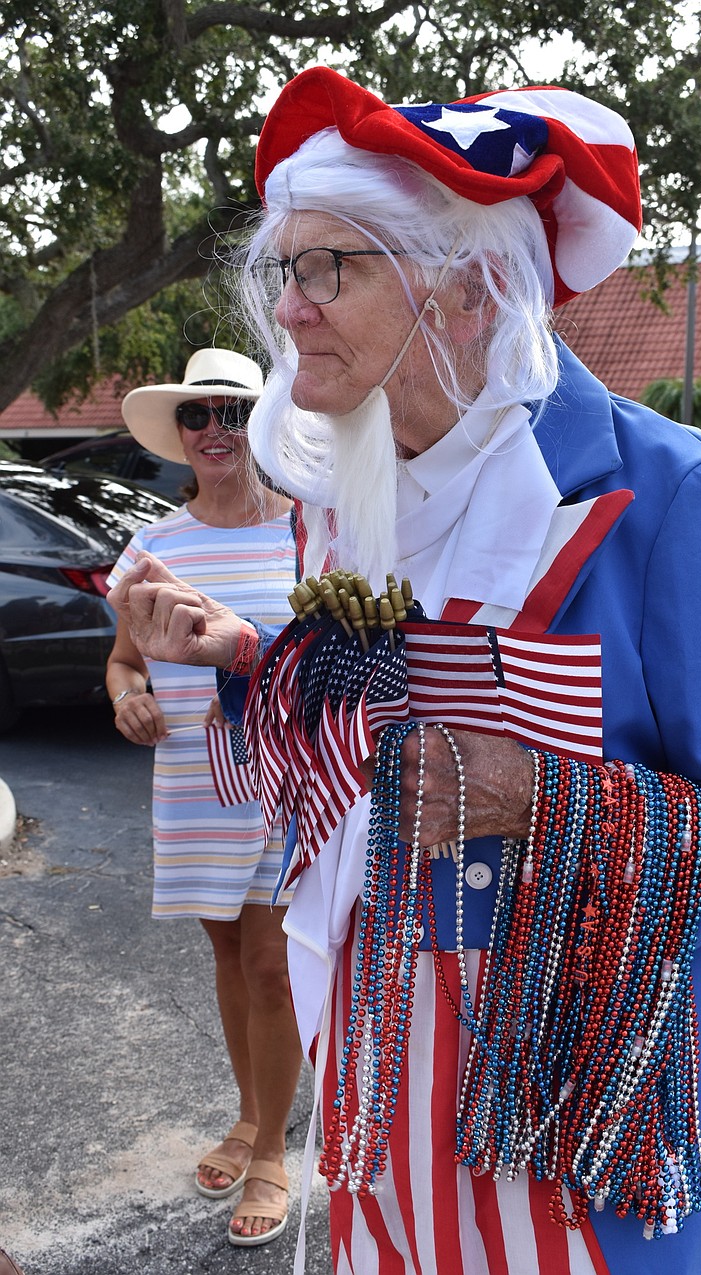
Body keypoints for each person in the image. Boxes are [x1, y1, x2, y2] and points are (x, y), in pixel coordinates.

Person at [107, 70, 701, 1275]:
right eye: (281, 271)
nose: (285, 314)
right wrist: (239, 653)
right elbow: (375, 725)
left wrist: (540, 799)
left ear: (461, 287)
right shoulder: (343, 488)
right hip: (385, 1105)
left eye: (324, 269)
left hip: (580, 1141)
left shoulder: (667, 496)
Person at [105, 348, 302, 1247]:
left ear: (263, 422)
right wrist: (127, 696)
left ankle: (272, 1150)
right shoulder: (152, 545)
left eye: (232, 411)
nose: (215, 429)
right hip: (190, 777)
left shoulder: (311, 529)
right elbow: (123, 659)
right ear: (179, 434)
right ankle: (251, 1110)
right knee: (227, 956)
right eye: (198, 415)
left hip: (284, 779)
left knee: (270, 964)